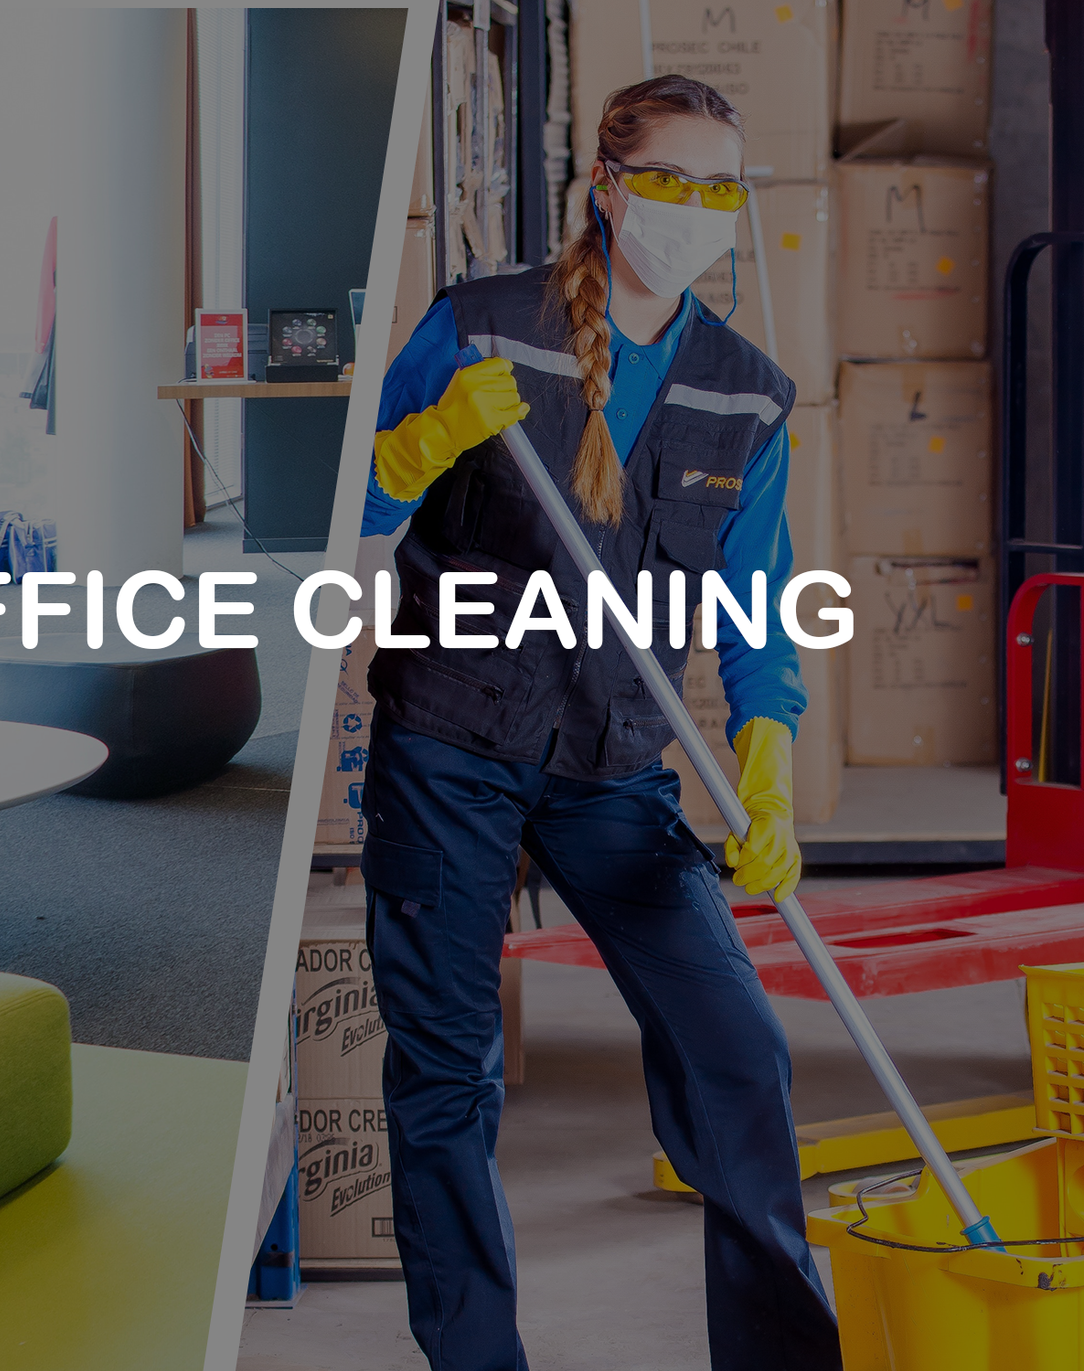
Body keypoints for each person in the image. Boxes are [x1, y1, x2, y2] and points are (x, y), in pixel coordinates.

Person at [358, 75, 840, 1371]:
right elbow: (351, 495)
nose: (693, 209)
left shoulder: (747, 394)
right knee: (447, 1075)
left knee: (737, 1049)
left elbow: (755, 605)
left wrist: (769, 765)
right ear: (606, 188)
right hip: (452, 746)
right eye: (668, 180)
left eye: (719, 188)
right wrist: (415, 449)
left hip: (615, 765)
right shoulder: (483, 327)